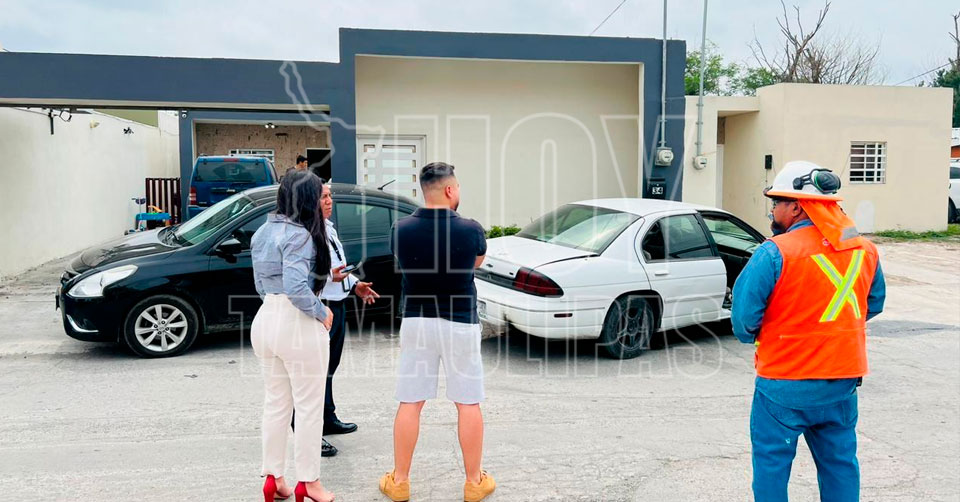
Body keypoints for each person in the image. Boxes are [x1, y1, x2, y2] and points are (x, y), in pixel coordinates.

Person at [731, 160, 886, 502]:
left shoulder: (775, 252)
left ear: (797, 207)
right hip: (842, 381)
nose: (772, 210)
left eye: (776, 202)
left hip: (784, 383)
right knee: (840, 465)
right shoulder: (863, 248)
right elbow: (873, 304)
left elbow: (743, 322)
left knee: (772, 468)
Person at [379, 162, 495, 502]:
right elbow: (476, 263)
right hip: (460, 322)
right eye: (457, 187)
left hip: (417, 321)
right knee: (468, 401)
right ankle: (474, 482)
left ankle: (400, 481)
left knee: (410, 401)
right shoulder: (471, 229)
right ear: (449, 189)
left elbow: (401, 261)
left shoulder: (400, 229)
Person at [250, 169, 336, 502]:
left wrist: (278, 307)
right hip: (296, 322)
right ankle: (309, 482)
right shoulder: (300, 234)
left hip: (266, 318)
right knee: (309, 407)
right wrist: (322, 312)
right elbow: (297, 287)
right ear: (308, 198)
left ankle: (273, 478)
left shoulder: (262, 232)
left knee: (276, 404)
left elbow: (261, 285)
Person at [315, 180, 380, 456]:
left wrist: (355, 285)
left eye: (330, 196)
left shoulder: (327, 228)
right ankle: (310, 432)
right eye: (323, 197)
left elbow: (337, 269)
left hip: (337, 304)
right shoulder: (307, 233)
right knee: (314, 372)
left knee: (329, 367)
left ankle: (327, 417)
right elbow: (306, 274)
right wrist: (329, 276)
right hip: (320, 307)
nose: (329, 201)